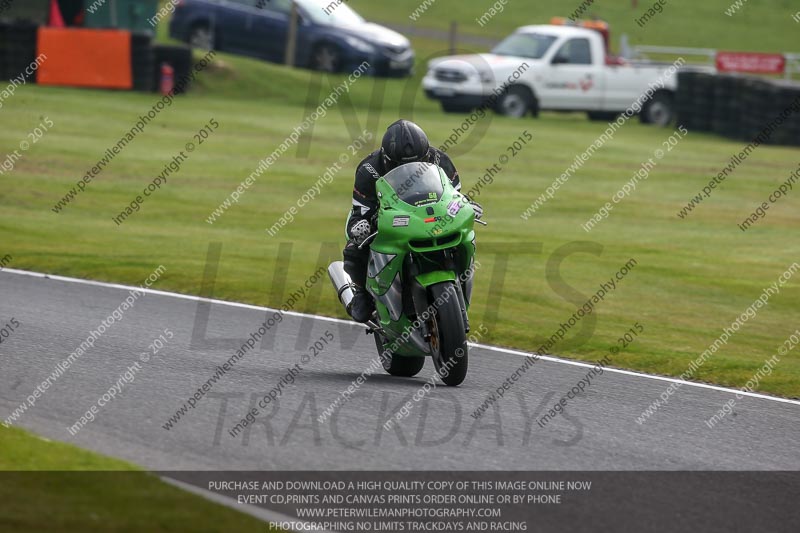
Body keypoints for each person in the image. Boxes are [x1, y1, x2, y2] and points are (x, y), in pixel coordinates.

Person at [343, 119, 482, 323]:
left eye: (417, 162)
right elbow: (361, 209)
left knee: (463, 235)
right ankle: (362, 294)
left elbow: (454, 194)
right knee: (354, 248)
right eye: (401, 165)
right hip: (389, 216)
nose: (409, 168)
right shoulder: (369, 169)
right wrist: (361, 225)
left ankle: (458, 284)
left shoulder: (439, 159)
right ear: (387, 158)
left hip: (430, 215)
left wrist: (466, 204)